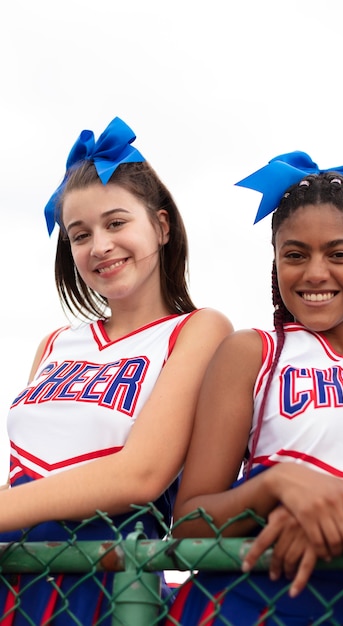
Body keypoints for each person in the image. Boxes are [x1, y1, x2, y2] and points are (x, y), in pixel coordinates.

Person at [166, 151, 343, 625]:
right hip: (240, 607)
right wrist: (275, 487)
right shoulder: (252, 352)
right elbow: (189, 524)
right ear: (277, 259)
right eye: (295, 254)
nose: (315, 273)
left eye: (339, 254)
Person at [0, 117, 233, 624]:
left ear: (162, 226)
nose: (99, 245)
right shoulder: (56, 343)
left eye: (116, 223)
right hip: (12, 573)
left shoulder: (199, 330)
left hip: (107, 581)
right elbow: (23, 475)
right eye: (80, 234)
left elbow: (141, 475)